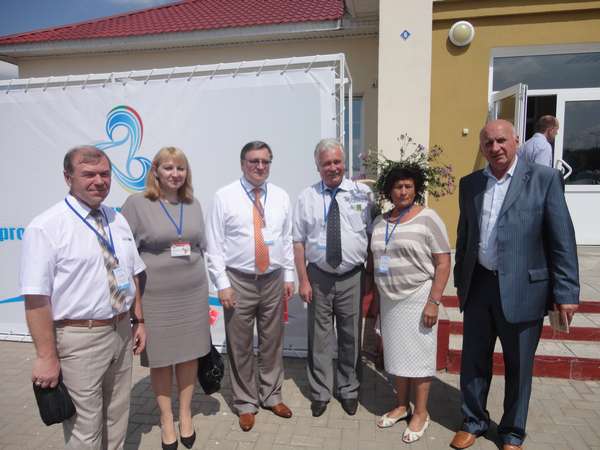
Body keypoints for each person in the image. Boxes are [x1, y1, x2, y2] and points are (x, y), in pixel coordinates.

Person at [451, 119, 579, 450]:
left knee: (519, 366)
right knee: (473, 360)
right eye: (488, 143)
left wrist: (566, 292)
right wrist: (460, 279)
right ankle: (473, 421)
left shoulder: (544, 179)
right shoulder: (470, 184)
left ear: (516, 141)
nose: (495, 148)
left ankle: (512, 432)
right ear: (482, 148)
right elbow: (465, 236)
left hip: (525, 289)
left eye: (501, 141)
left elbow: (562, 240)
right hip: (479, 285)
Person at [20, 145, 146, 450]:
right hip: (79, 339)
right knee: (84, 431)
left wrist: (139, 320)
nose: (99, 181)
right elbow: (36, 300)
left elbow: (132, 273)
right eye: (88, 174)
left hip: (120, 331)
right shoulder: (46, 227)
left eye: (105, 174)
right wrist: (46, 357)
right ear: (68, 177)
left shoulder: (117, 219)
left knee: (117, 418)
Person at [121, 147, 210, 450]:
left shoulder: (193, 204)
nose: (175, 174)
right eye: (168, 168)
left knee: (189, 355)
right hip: (155, 296)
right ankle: (166, 418)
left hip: (193, 292)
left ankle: (185, 414)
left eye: (180, 168)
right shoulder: (137, 204)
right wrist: (135, 308)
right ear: (155, 171)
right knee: (160, 359)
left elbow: (201, 245)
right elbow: (125, 255)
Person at [206, 141, 295, 432]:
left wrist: (289, 276)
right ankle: (245, 402)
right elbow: (214, 244)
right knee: (240, 344)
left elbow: (286, 239)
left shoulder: (281, 196)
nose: (260, 166)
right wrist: (222, 284)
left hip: (273, 279)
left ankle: (272, 396)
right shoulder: (225, 196)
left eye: (265, 161)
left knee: (272, 342)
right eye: (254, 161)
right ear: (243, 163)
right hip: (238, 281)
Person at [367, 166, 451, 443]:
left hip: (418, 297)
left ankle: (421, 413)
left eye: (408, 186)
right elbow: (375, 261)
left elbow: (443, 262)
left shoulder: (428, 218)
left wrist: (434, 302)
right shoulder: (380, 222)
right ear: (389, 190)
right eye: (398, 186)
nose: (403, 192)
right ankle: (402, 405)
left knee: (419, 357)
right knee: (397, 356)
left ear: (416, 189)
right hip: (390, 300)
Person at [293, 138, 373, 418]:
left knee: (351, 336)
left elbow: (372, 235)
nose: (333, 167)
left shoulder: (362, 194)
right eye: (326, 163)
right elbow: (298, 242)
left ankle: (349, 389)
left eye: (337, 161)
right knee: (320, 338)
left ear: (344, 163)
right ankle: (320, 391)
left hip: (352, 276)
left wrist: (371, 276)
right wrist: (303, 280)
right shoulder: (306, 197)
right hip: (319, 276)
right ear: (318, 166)